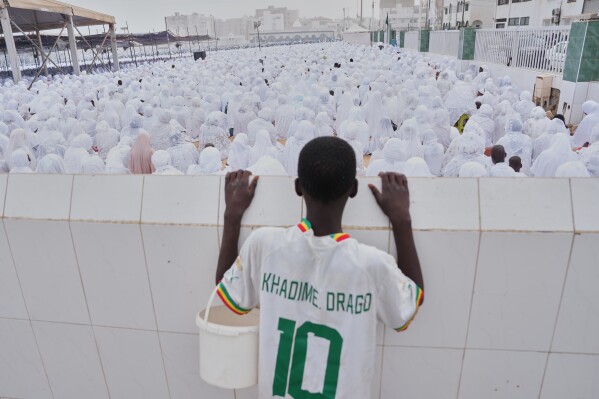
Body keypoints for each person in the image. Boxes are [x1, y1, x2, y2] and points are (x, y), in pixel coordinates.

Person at [215, 136, 424, 399]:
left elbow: (225, 285)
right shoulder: (371, 265)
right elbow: (411, 300)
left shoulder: (264, 245)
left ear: (298, 187)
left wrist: (232, 214)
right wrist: (401, 219)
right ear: (353, 189)